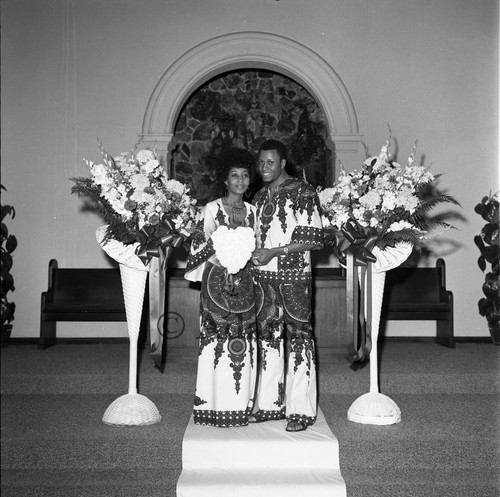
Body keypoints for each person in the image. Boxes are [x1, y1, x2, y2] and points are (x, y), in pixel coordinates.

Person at [251, 139, 324, 432]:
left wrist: (275, 252)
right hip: (263, 279)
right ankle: (270, 405)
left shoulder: (302, 192)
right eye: (261, 162)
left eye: (271, 162)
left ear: (283, 163)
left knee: (299, 341)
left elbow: (315, 238)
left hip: (294, 279)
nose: (264, 167)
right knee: (267, 340)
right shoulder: (257, 197)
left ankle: (301, 411)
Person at [185, 148, 259, 427]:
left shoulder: (254, 211)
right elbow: (202, 243)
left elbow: (257, 247)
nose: (239, 180)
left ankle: (240, 405)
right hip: (217, 282)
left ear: (249, 181)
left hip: (247, 284)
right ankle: (213, 404)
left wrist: (242, 264)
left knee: (243, 340)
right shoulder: (212, 209)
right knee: (216, 339)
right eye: (234, 175)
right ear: (225, 181)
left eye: (244, 175)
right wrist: (226, 263)